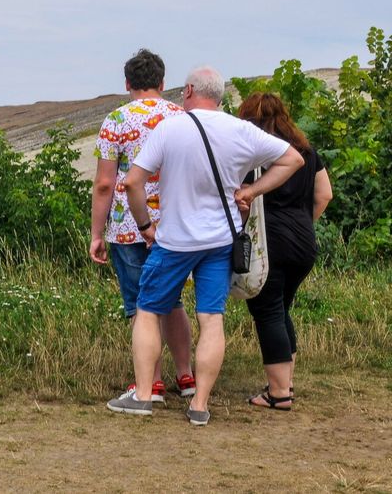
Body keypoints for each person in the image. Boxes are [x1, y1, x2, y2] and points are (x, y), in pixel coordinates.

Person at [106, 66, 304, 426]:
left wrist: (146, 226)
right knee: (211, 319)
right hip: (219, 241)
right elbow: (293, 159)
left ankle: (144, 394)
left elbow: (133, 182)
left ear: (190, 90)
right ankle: (199, 404)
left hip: (175, 240)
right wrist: (250, 191)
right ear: (221, 95)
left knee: (148, 310)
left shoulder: (170, 128)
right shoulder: (240, 130)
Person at [89, 49, 194, 403]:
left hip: (127, 225)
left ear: (128, 83)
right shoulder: (182, 117)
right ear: (163, 82)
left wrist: (96, 234)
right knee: (173, 301)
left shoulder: (116, 120)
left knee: (139, 305)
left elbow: (105, 183)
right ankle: (187, 375)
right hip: (175, 225)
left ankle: (151, 382)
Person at [237, 92, 333, 410]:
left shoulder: (255, 153)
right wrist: (304, 224)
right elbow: (325, 195)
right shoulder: (306, 150)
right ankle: (284, 382)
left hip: (269, 241)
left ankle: (279, 394)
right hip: (304, 240)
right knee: (281, 310)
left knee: (268, 312)